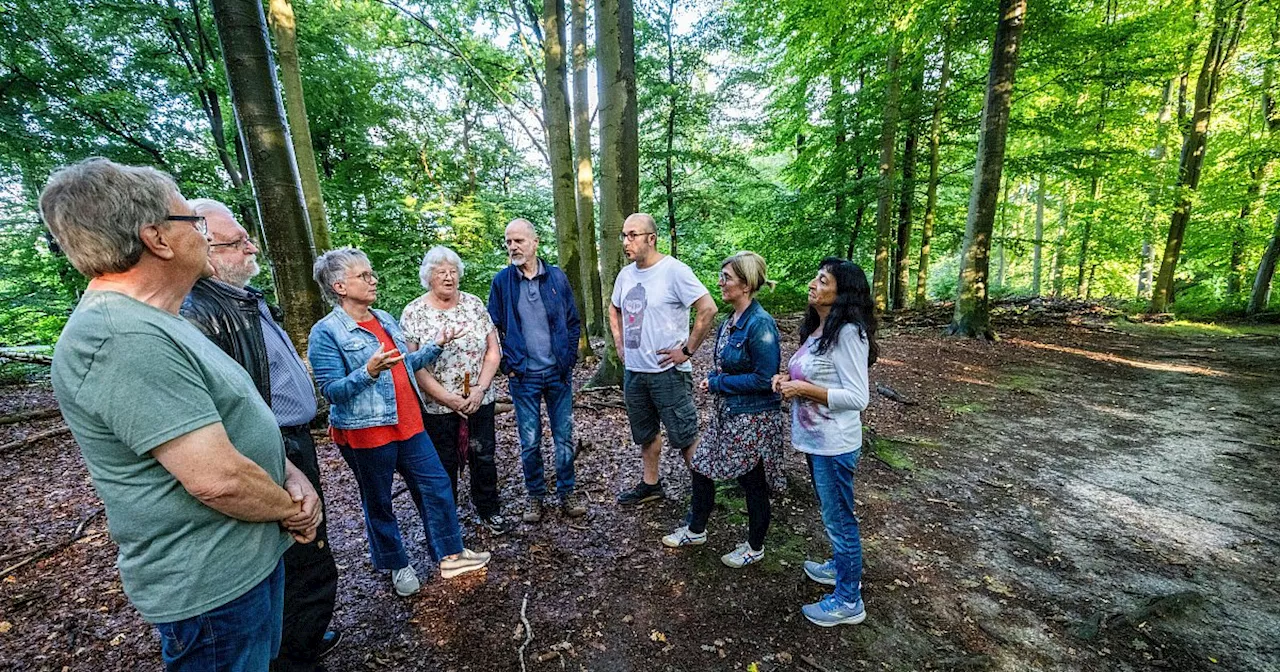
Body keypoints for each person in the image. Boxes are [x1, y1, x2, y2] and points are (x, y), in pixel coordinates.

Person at [42, 158, 321, 671]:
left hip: (244, 562)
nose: (203, 232)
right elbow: (216, 480)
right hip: (212, 588)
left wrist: (288, 469)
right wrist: (290, 508)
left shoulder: (159, 320)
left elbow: (235, 421)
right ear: (158, 238)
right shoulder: (122, 338)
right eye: (191, 219)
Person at [179, 199, 341, 671]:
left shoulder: (242, 298)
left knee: (308, 558)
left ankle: (300, 641)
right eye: (238, 242)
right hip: (268, 452)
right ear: (205, 250)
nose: (252, 247)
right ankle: (294, 653)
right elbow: (226, 412)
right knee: (299, 555)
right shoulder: (199, 312)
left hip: (290, 444)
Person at [307, 247, 490, 598]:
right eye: (363, 276)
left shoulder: (384, 318)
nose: (373, 280)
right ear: (339, 286)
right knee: (379, 501)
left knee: (436, 486)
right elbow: (332, 391)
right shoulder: (327, 332)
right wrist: (368, 371)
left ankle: (450, 553)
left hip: (409, 423)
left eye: (370, 273)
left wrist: (435, 346)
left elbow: (405, 364)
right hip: (367, 431)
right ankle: (395, 561)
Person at [661, 252, 784, 568]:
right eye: (721, 275)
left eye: (726, 277)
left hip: (753, 418)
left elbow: (764, 377)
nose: (720, 282)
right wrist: (716, 382)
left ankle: (755, 547)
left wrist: (718, 383)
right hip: (727, 414)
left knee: (752, 481)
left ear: (745, 284)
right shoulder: (732, 321)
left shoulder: (760, 324)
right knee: (701, 464)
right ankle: (696, 529)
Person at [772, 257, 877, 627]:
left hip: (835, 443)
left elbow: (857, 397)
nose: (813, 285)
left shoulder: (849, 332)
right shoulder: (820, 328)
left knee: (840, 521)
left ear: (842, 292)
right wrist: (787, 379)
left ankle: (849, 600)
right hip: (817, 441)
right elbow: (813, 374)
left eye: (822, 280)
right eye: (815, 277)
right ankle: (839, 568)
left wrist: (802, 389)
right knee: (833, 514)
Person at [400, 246, 510, 535]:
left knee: (483, 457)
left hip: (479, 399)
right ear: (428, 277)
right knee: (442, 464)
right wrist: (448, 398)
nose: (448, 278)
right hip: (437, 406)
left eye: (452, 272)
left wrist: (480, 389)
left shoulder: (474, 305)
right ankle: (446, 523)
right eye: (440, 272)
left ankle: (489, 510)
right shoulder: (414, 312)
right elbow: (413, 365)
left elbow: (493, 352)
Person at [610, 213, 717, 505]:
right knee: (645, 434)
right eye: (624, 235)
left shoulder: (674, 271)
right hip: (635, 371)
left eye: (633, 235)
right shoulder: (625, 275)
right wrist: (620, 345)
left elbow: (707, 308)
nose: (626, 242)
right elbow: (614, 308)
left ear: (651, 238)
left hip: (668, 371)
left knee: (684, 435)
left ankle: (703, 493)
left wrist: (687, 350)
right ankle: (651, 485)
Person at [487, 219, 586, 522]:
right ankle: (535, 496)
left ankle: (566, 492)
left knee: (564, 436)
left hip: (557, 373)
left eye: (518, 240)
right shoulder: (502, 282)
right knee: (529, 440)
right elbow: (491, 328)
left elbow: (572, 322)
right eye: (508, 242)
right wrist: (508, 366)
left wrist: (567, 360)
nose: (513, 247)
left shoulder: (556, 277)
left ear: (535, 242)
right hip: (524, 376)